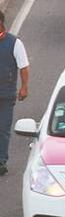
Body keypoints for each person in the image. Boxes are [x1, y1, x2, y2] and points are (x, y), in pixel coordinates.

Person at [0, 11, 29, 176]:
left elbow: (23, 67)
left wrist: (24, 87)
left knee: (2, 128)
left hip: (6, 94)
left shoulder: (14, 43)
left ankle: (1, 161)